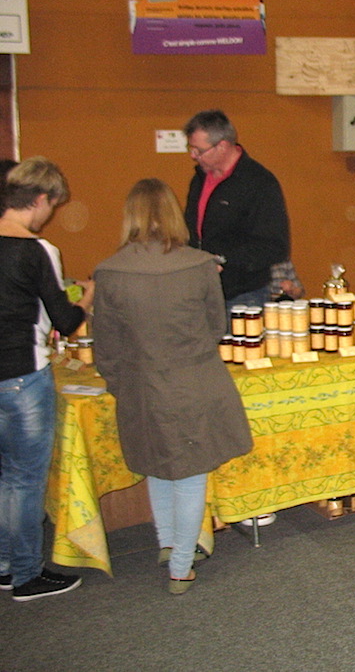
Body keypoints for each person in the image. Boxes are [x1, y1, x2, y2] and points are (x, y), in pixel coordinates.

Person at [93, 178, 253, 594]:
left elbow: (105, 346)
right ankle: (181, 565)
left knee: (158, 469)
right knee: (190, 475)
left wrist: (122, 383)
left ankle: (169, 546)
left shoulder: (108, 272)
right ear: (172, 214)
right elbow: (216, 327)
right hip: (193, 381)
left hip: (140, 385)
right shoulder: (199, 265)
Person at [0, 157, 93, 602]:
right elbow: (66, 321)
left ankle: (4, 564)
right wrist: (88, 297)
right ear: (39, 199)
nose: (49, 214)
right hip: (22, 375)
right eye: (51, 205)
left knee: (5, 476)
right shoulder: (38, 251)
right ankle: (26, 574)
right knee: (25, 481)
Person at [182, 109, 290, 311]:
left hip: (243, 296)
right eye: (191, 148)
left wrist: (224, 260)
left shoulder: (259, 182)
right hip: (201, 292)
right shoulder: (199, 179)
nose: (193, 156)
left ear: (222, 146)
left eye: (199, 150)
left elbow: (274, 247)